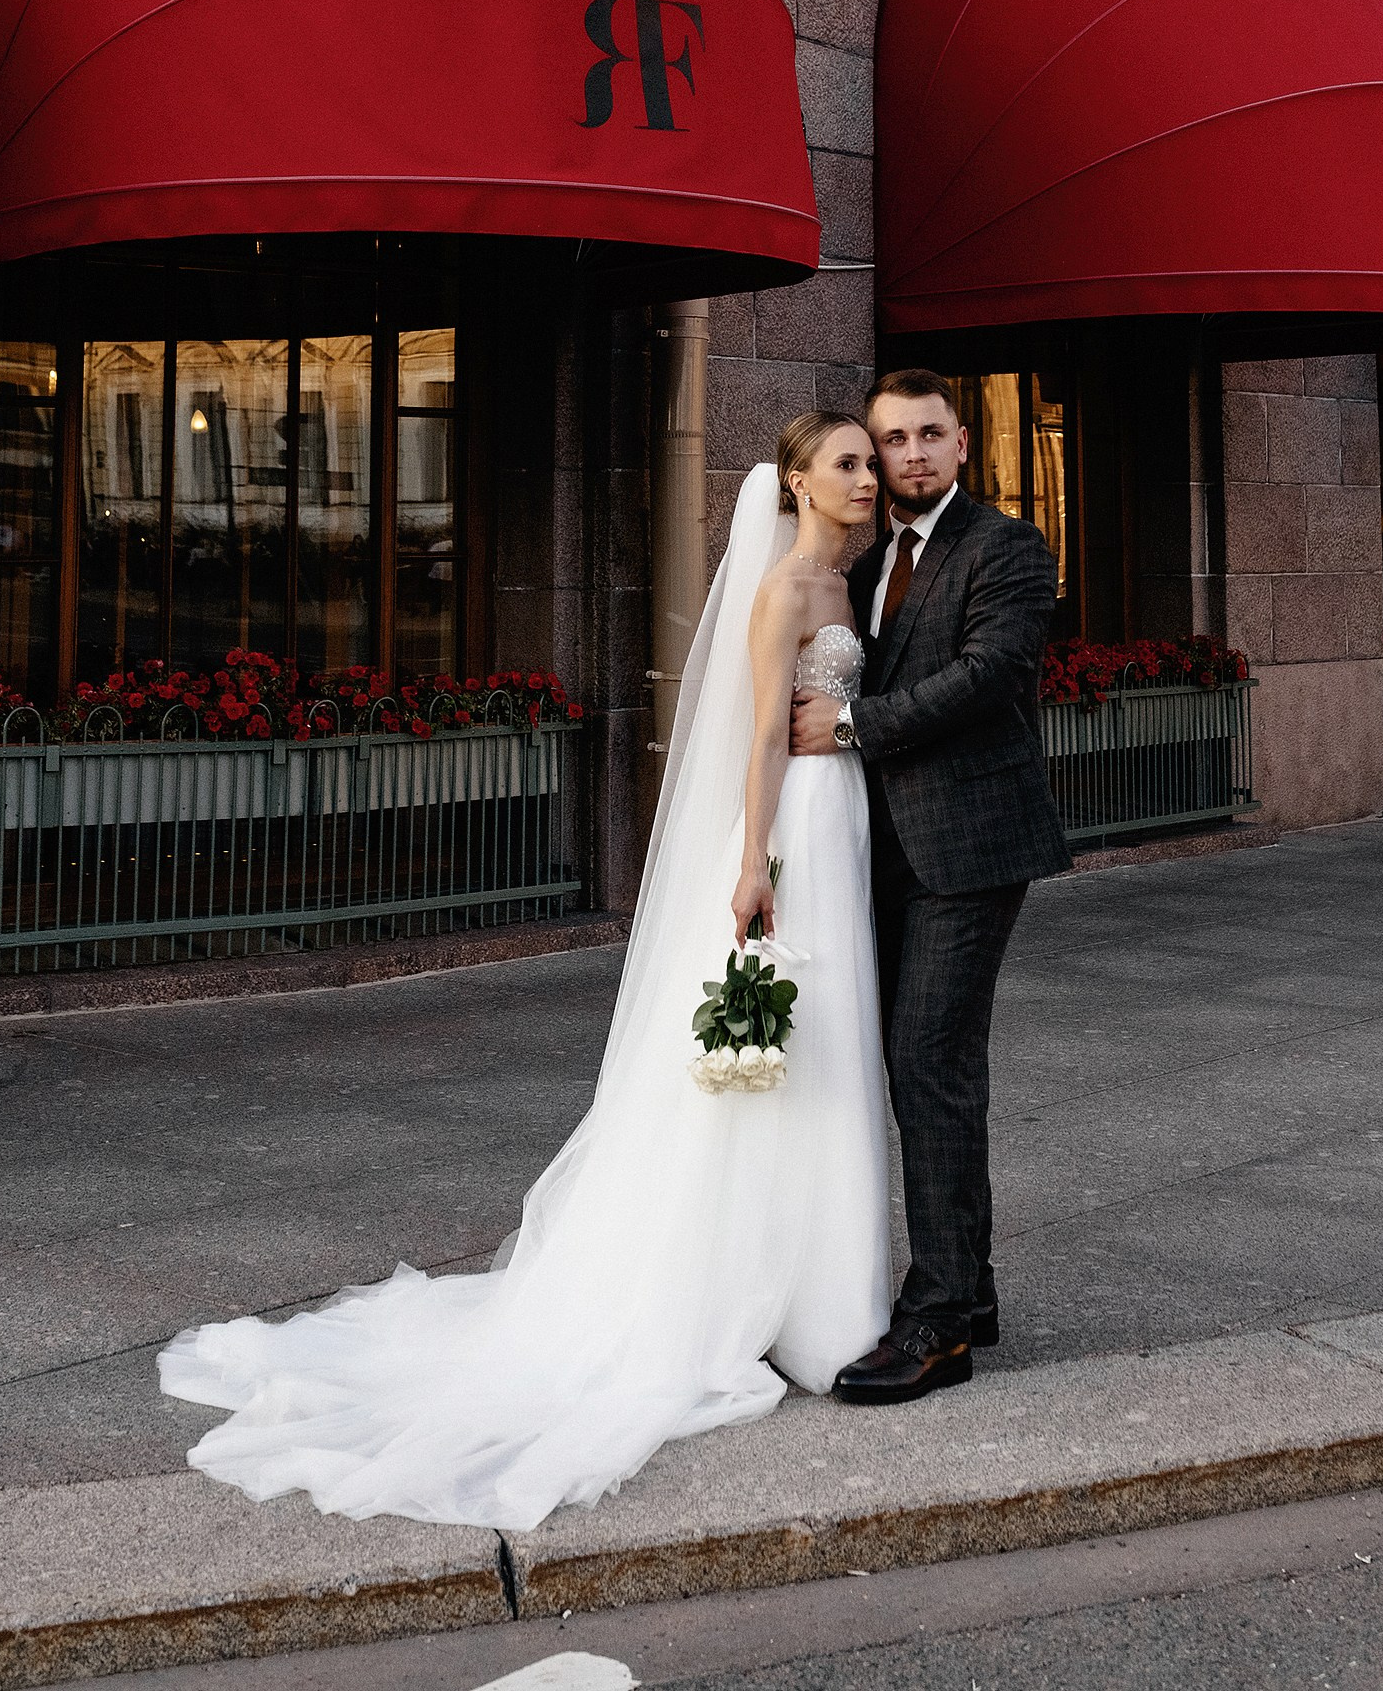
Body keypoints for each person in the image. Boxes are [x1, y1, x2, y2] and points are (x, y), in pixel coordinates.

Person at [158, 414, 891, 1532]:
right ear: (794, 481)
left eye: (868, 462)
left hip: (840, 821)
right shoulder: (788, 591)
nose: (866, 476)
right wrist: (751, 864)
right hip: (791, 829)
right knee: (772, 1052)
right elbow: (749, 736)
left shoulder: (853, 581)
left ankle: (823, 1296)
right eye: (844, 462)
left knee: (826, 1042)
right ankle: (745, 1294)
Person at [790, 366, 1070, 1403]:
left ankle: (939, 1322)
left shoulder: (1004, 547)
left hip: (970, 847)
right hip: (879, 852)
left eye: (924, 436)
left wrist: (853, 726)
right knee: (923, 1067)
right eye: (887, 440)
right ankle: (975, 1287)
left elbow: (989, 674)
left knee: (927, 1063)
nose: (906, 456)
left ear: (962, 445)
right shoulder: (863, 568)